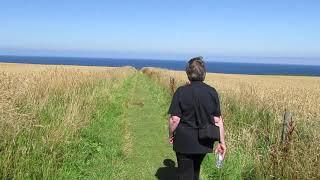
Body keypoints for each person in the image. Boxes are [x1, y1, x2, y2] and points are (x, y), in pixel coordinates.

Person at [168, 56, 226, 180]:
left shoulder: (181, 91)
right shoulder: (212, 92)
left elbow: (174, 120)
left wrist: (171, 134)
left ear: (188, 73)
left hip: (184, 141)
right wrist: (222, 142)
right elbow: (218, 120)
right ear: (204, 74)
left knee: (185, 175)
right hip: (204, 142)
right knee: (195, 172)